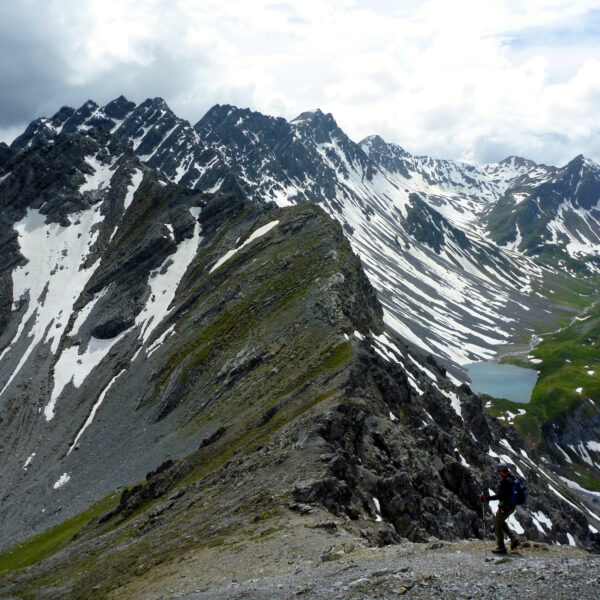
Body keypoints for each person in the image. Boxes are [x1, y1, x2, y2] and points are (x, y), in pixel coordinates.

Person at [480, 462, 521, 554]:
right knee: (500, 522)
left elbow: (500, 495)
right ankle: (514, 540)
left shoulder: (505, 481)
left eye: (499, 471)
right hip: (511, 505)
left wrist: (487, 498)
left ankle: (501, 547)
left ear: (503, 471)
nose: (498, 473)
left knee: (497, 525)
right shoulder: (512, 477)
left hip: (505, 507)